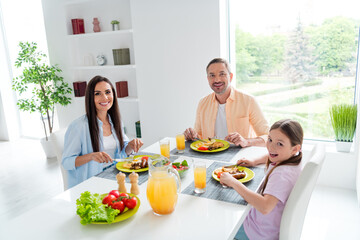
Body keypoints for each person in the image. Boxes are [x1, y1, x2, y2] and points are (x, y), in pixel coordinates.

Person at [220, 119, 303, 240]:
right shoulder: (293, 159)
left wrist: (233, 182)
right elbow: (272, 154)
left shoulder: (281, 174)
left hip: (257, 233)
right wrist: (255, 161)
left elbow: (265, 207)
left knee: (222, 223)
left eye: (280, 143)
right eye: (270, 140)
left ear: (295, 148)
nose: (271, 147)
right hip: (267, 226)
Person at [62, 75, 143, 188]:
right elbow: (66, 162)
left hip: (116, 176)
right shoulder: (78, 127)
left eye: (108, 92)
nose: (105, 98)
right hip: (91, 184)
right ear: (90, 98)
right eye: (97, 94)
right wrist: (91, 156)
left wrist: (131, 145)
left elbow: (124, 151)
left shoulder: (116, 121)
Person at [184, 58, 269, 147]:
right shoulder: (203, 103)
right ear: (208, 79)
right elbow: (199, 136)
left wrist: (246, 141)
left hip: (241, 157)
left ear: (230, 77)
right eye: (212, 75)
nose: (217, 80)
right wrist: (192, 136)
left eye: (222, 74)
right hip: (210, 155)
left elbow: (268, 137)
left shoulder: (249, 101)